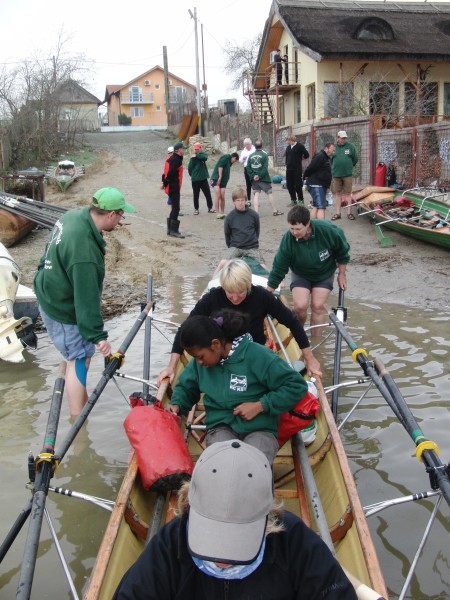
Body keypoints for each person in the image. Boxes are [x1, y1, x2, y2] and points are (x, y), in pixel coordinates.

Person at [112, 440, 358, 600]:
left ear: (268, 518)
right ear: (188, 505)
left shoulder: (293, 541)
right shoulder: (169, 545)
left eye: (236, 540)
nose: (222, 562)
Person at [34, 187, 135, 417]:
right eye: (121, 216)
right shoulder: (86, 255)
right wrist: (98, 337)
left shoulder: (72, 216)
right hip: (60, 307)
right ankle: (77, 421)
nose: (120, 221)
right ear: (111, 214)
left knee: (77, 356)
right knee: (79, 360)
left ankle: (79, 403)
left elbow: (46, 252)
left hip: (48, 290)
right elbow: (87, 298)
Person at [166, 309, 308, 463]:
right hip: (220, 426)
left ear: (215, 344)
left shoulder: (258, 355)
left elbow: (296, 386)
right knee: (221, 464)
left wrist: (261, 405)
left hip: (260, 428)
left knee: (253, 464)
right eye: (195, 358)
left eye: (200, 357)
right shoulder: (199, 364)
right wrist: (177, 405)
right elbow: (187, 388)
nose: (198, 362)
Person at [157, 258, 322, 384]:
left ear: (248, 285)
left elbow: (292, 322)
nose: (235, 298)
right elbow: (185, 329)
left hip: (254, 356)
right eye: (230, 292)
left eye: (241, 292)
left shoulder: (262, 296)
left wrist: (309, 358)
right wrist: (171, 367)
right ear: (223, 286)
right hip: (220, 360)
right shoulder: (212, 298)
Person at [267, 205, 350, 335]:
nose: (294, 232)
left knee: (317, 306)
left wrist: (342, 274)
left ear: (308, 224)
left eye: (298, 229)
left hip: (324, 273)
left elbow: (343, 252)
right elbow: (279, 268)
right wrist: (268, 291)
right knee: (300, 306)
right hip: (300, 273)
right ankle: (298, 336)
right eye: (291, 228)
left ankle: (316, 345)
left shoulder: (328, 230)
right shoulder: (288, 239)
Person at [213, 187, 266, 275]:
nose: (240, 203)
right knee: (222, 263)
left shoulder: (254, 215)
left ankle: (275, 283)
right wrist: (231, 246)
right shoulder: (229, 217)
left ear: (246, 200)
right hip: (236, 247)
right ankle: (212, 281)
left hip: (251, 247)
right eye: (238, 200)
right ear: (234, 201)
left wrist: (253, 243)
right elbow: (227, 234)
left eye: (242, 200)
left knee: (263, 266)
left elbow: (257, 231)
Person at [246, 140, 283, 216]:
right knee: (269, 193)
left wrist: (253, 176)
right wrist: (259, 176)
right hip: (264, 179)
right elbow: (264, 168)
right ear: (262, 147)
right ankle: (274, 211)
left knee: (256, 194)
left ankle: (256, 213)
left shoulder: (250, 155)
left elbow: (248, 167)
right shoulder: (264, 155)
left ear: (254, 147)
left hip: (254, 180)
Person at [303, 142, 336, 220]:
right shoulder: (320, 156)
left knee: (316, 206)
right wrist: (305, 176)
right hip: (316, 185)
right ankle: (321, 226)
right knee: (321, 207)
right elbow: (311, 167)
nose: (333, 152)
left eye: (334, 151)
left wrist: (327, 186)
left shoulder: (325, 157)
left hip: (319, 185)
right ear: (326, 148)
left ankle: (313, 224)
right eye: (332, 150)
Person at [331, 131, 358, 221]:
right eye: (342, 138)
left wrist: (349, 166)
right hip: (336, 175)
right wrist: (333, 168)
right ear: (337, 138)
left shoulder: (351, 147)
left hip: (347, 174)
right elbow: (330, 160)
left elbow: (355, 158)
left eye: (344, 138)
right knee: (337, 193)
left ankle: (349, 213)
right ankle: (338, 213)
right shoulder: (333, 147)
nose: (343, 140)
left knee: (348, 194)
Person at [163, 141, 186, 237]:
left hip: (173, 186)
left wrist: (164, 183)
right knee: (176, 208)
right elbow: (169, 173)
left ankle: (170, 230)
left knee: (175, 208)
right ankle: (173, 231)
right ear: (178, 150)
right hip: (173, 187)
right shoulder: (175, 159)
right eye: (183, 148)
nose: (184, 150)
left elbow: (166, 173)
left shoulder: (174, 158)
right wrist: (165, 183)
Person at [210, 152, 240, 219]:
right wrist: (220, 177)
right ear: (234, 158)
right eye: (235, 160)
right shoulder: (226, 157)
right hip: (216, 178)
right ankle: (217, 213)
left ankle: (222, 212)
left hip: (223, 182)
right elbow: (220, 166)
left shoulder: (230, 163)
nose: (234, 162)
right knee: (218, 195)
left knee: (222, 196)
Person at [188, 142, 214, 215]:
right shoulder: (192, 158)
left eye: (198, 149)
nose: (196, 150)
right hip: (195, 180)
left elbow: (205, 157)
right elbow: (190, 168)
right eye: (195, 149)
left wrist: (196, 155)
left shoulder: (201, 155)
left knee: (207, 194)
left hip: (203, 179)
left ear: (200, 148)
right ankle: (196, 209)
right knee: (196, 195)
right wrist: (192, 175)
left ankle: (210, 208)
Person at [285, 134, 309, 207]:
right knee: (289, 185)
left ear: (291, 140)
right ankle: (293, 200)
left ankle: (301, 200)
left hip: (297, 169)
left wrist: (302, 158)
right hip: (289, 169)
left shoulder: (300, 146)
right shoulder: (288, 147)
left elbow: (306, 154)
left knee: (298, 185)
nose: (287, 142)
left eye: (288, 140)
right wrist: (286, 163)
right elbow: (287, 156)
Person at [239, 137, 256, 205]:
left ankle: (256, 199)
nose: (246, 146)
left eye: (248, 144)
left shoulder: (254, 149)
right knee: (248, 185)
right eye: (245, 144)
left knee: (255, 185)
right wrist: (243, 158)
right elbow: (240, 161)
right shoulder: (243, 151)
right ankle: (248, 200)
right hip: (246, 169)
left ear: (250, 144)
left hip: (254, 168)